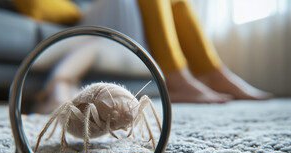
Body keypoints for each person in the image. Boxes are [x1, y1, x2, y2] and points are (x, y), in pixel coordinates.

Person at [17, 0, 272, 105]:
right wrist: (80, 10)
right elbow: (40, 9)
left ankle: (216, 74)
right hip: (80, 18)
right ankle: (176, 80)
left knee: (177, 1)